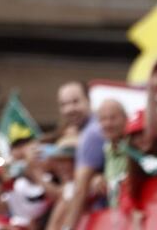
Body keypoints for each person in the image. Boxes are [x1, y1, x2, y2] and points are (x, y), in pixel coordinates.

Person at [55, 81, 105, 230]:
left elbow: (80, 190)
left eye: (75, 102)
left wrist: (67, 228)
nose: (70, 109)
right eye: (64, 104)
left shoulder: (91, 134)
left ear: (88, 100)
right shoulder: (91, 129)